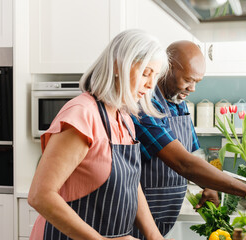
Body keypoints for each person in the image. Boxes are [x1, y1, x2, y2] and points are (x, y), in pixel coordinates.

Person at [28, 29, 172, 240]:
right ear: (117, 66)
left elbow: (130, 185)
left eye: (155, 76)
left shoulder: (123, 118)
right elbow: (40, 196)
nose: (151, 85)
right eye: (145, 73)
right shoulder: (82, 115)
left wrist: (154, 235)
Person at [131, 40, 246, 239]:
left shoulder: (179, 103)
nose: (193, 88)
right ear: (167, 68)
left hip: (164, 217)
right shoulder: (144, 108)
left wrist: (209, 185)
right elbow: (184, 163)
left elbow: (194, 153)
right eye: (188, 80)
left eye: (197, 81)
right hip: (138, 220)